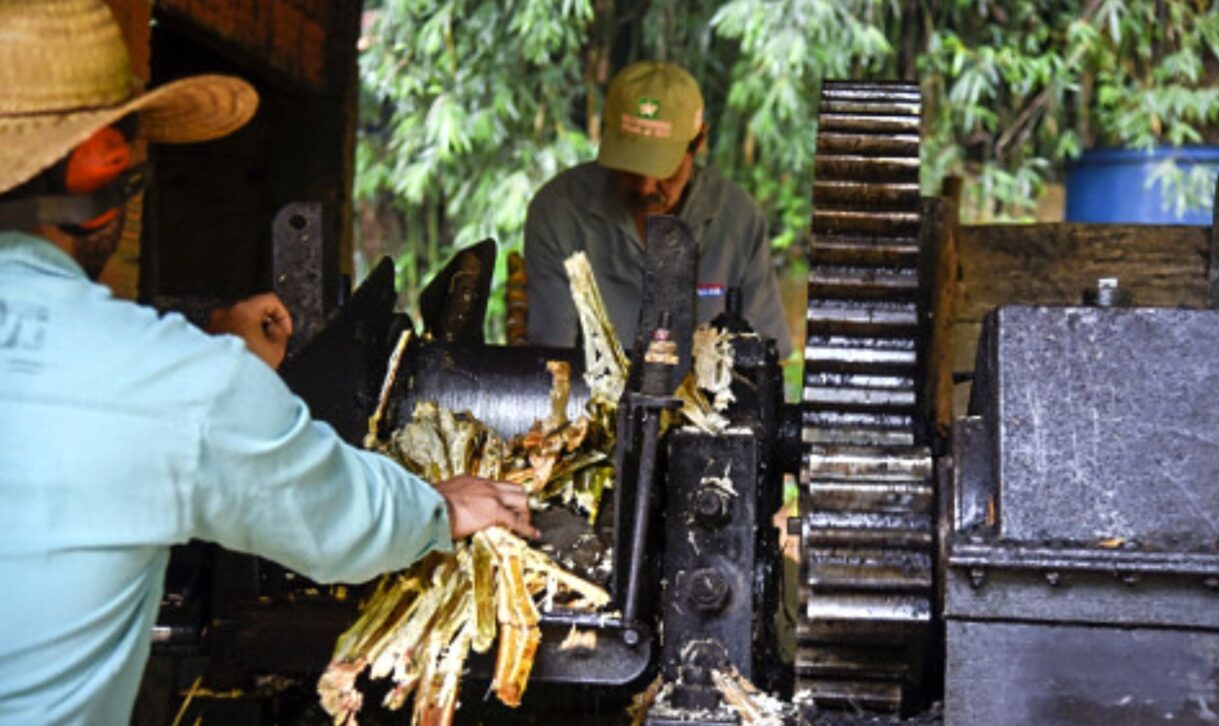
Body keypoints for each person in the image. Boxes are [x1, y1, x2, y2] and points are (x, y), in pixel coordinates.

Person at [0, 1, 535, 724]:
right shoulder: (176, 387)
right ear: (105, 171)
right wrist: (437, 507)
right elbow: (337, 522)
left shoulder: (174, 378)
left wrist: (201, 334)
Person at [524, 61, 792, 354]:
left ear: (699, 140)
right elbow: (550, 363)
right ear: (605, 135)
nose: (645, 188)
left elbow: (766, 358)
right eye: (630, 167)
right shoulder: (559, 212)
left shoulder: (738, 221)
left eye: (662, 169)